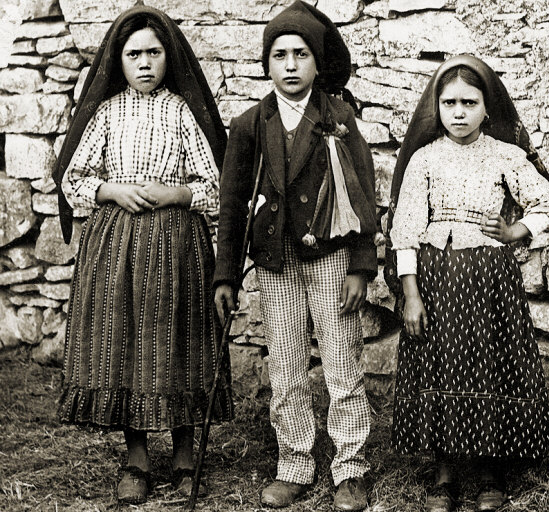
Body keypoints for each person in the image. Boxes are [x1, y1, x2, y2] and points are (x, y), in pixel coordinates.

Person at [52, 6, 232, 504]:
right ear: (120, 60)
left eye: (154, 52)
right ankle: (135, 456)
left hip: (176, 243)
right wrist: (111, 189)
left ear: (168, 57)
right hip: (116, 244)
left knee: (178, 337)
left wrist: (174, 194)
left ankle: (184, 450)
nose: (146, 62)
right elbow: (74, 179)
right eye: (135, 54)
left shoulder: (181, 111)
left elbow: (214, 186)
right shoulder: (107, 112)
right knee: (124, 340)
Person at [213, 2, 377, 510]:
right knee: (284, 364)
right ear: (267, 63)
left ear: (316, 63)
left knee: (341, 361)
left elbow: (364, 194)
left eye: (301, 54)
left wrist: (360, 264)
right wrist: (226, 275)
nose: (290, 65)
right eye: (279, 54)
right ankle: (294, 462)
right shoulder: (249, 124)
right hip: (275, 261)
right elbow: (233, 202)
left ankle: (350, 466)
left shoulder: (338, 117)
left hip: (330, 258)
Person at [385, 55, 549, 512]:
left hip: (490, 281)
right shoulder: (424, 160)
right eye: (449, 103)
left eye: (469, 102)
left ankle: (490, 468)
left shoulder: (506, 155)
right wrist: (411, 294)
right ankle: (445, 471)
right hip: (437, 279)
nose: (459, 112)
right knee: (441, 362)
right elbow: (405, 229)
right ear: (436, 108)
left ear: (488, 107)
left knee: (488, 361)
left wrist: (515, 231)